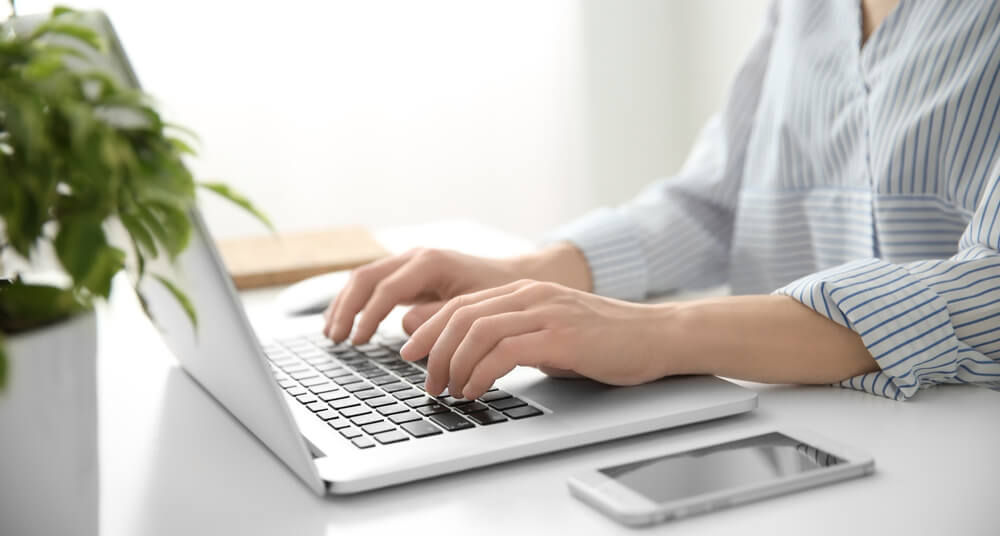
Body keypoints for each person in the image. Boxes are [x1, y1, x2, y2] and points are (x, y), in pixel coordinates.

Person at [323, 0, 1000, 402]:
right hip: (788, 433)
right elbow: (715, 204)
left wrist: (657, 333)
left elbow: (988, 287)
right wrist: (533, 271)